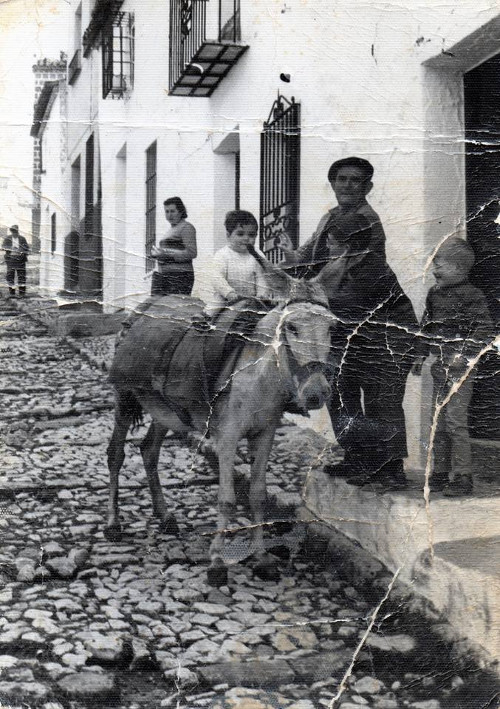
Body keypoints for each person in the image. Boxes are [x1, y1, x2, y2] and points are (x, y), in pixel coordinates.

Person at [312, 213, 418, 489]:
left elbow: (345, 306)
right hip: (364, 343)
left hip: (392, 344)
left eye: (333, 243)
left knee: (382, 404)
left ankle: (392, 469)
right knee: (341, 396)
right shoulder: (342, 265)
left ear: (347, 246)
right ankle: (358, 458)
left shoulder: (373, 269)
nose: (329, 247)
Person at [412, 238, 493, 497]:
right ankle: (439, 471)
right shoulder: (434, 293)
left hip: (461, 370)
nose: (434, 268)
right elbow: (427, 326)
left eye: (440, 263)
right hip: (440, 367)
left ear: (459, 269)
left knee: (456, 422)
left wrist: (465, 354)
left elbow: (485, 329)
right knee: (439, 421)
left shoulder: (473, 295)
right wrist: (420, 354)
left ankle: (463, 476)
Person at [279, 156, 386, 277]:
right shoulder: (328, 217)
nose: (347, 185)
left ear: (367, 187)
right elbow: (305, 254)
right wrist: (291, 255)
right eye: (342, 179)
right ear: (333, 185)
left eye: (355, 180)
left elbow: (361, 275)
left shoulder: (367, 220)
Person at [198, 210, 273, 316]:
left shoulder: (257, 254)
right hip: (228, 297)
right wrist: (229, 293)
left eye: (251, 235)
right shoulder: (223, 255)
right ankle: (205, 317)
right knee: (217, 303)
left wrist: (262, 294)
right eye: (240, 234)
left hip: (252, 297)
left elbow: (261, 277)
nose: (246, 238)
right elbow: (217, 278)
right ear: (228, 235)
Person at [150, 197, 197, 296]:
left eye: (172, 211)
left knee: (174, 307)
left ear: (180, 211)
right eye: (166, 212)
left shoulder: (186, 227)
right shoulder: (171, 230)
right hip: (164, 276)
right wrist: (157, 254)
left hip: (180, 276)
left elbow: (192, 252)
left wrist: (165, 252)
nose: (169, 215)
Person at [2, 225, 30, 298]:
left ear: (18, 231)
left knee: (22, 277)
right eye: (13, 231)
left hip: (21, 260)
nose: (14, 233)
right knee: (10, 277)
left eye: (16, 231)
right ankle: (12, 293)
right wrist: (11, 248)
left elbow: (27, 248)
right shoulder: (7, 238)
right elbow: (3, 247)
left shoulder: (22, 239)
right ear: (11, 232)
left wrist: (20, 249)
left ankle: (22, 294)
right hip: (11, 260)